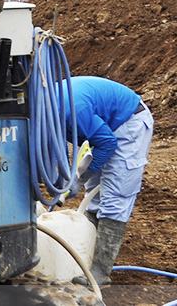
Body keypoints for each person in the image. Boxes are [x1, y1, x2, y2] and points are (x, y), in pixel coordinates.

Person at [62, 76, 153, 287]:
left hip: (129, 122)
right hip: (102, 124)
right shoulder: (45, 113)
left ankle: (100, 271)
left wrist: (80, 179)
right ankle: (86, 261)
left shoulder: (71, 110)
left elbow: (107, 143)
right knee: (94, 195)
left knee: (115, 195)